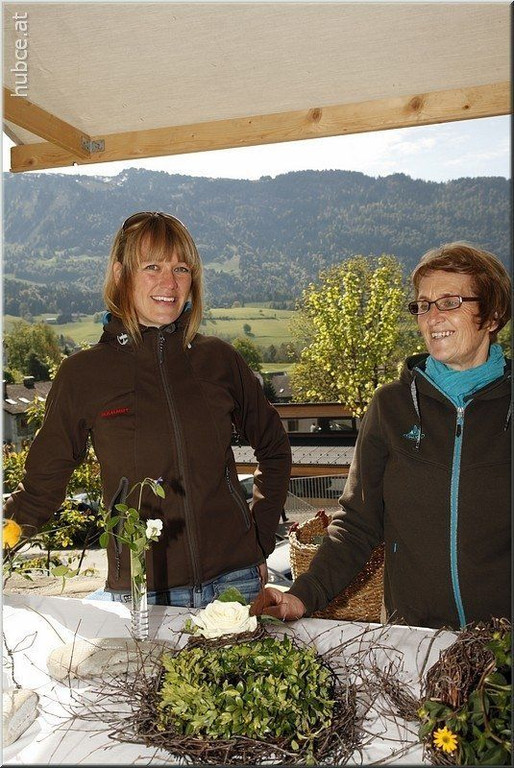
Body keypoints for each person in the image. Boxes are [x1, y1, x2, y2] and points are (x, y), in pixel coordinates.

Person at [4, 211, 292, 607]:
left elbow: (274, 447)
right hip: (143, 595)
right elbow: (39, 490)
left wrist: (258, 539)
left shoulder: (219, 360)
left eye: (181, 269)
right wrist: (4, 540)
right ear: (121, 274)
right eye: (152, 267)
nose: (169, 283)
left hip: (235, 584)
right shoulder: (84, 374)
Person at [256, 242, 511, 630]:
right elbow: (357, 523)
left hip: (503, 641)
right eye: (423, 305)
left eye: (449, 302)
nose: (432, 317)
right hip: (414, 636)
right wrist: (301, 595)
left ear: (492, 315)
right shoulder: (392, 406)